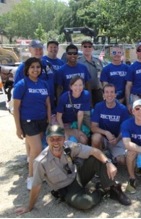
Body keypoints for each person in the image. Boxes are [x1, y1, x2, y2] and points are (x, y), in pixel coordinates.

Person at [15, 125, 131, 215]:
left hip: (77, 177)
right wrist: (29, 207)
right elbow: (36, 186)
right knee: (86, 203)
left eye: (59, 139)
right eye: (52, 139)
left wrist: (108, 163)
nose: (56, 142)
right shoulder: (41, 162)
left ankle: (113, 190)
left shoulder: (69, 146)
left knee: (101, 156)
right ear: (47, 139)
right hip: (65, 189)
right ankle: (101, 190)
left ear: (64, 138)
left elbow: (93, 151)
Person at [13, 57, 51, 190]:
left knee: (37, 150)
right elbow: (16, 108)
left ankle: (39, 173)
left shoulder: (44, 84)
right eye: (32, 67)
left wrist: (49, 120)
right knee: (37, 149)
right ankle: (31, 177)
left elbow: (47, 104)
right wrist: (18, 128)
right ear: (27, 69)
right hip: (28, 121)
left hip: (42, 121)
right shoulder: (22, 84)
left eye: (38, 67)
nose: (35, 69)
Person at [91, 84, 130, 164]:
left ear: (115, 94)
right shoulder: (98, 106)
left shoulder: (122, 109)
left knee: (122, 160)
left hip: (116, 139)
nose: (109, 95)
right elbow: (93, 127)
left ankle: (110, 157)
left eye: (112, 92)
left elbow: (125, 129)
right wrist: (106, 132)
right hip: (103, 138)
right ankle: (97, 162)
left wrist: (117, 139)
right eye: (107, 92)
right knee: (95, 138)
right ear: (103, 95)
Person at [56, 76, 91, 144]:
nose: (78, 88)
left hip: (77, 122)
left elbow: (80, 114)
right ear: (70, 87)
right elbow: (59, 116)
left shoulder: (86, 94)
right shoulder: (64, 97)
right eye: (75, 85)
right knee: (65, 139)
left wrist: (79, 130)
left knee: (83, 139)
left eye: (80, 85)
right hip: (65, 123)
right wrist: (63, 131)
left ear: (83, 86)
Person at [42, 40, 65, 119]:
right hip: (47, 89)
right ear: (47, 49)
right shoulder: (42, 61)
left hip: (58, 89)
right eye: (51, 47)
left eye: (55, 47)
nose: (53, 49)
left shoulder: (61, 63)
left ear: (58, 49)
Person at [78, 40, 104, 106]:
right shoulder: (78, 62)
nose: (87, 48)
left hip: (97, 91)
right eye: (85, 46)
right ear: (81, 48)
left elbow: (102, 75)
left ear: (92, 48)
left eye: (89, 46)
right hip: (84, 91)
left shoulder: (97, 61)